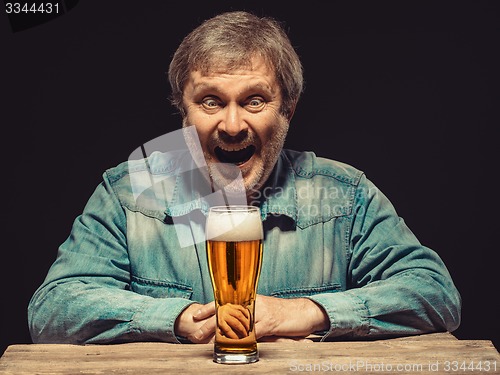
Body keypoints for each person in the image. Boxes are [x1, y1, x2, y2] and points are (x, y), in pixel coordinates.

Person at [28, 10, 461, 344]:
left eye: (254, 100)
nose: (232, 126)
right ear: (184, 112)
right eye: (211, 101)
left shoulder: (343, 194)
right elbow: (51, 310)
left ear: (287, 110)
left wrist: (307, 312)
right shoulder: (130, 190)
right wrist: (175, 319)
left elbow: (435, 293)